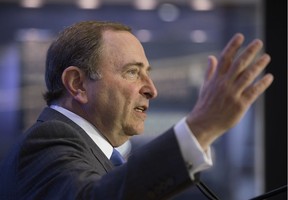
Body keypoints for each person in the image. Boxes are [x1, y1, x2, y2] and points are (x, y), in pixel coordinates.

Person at [0, 21, 273, 200]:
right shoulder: (47, 141)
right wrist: (200, 128)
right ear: (78, 84)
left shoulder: (96, 155)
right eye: (132, 72)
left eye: (148, 73)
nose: (151, 89)